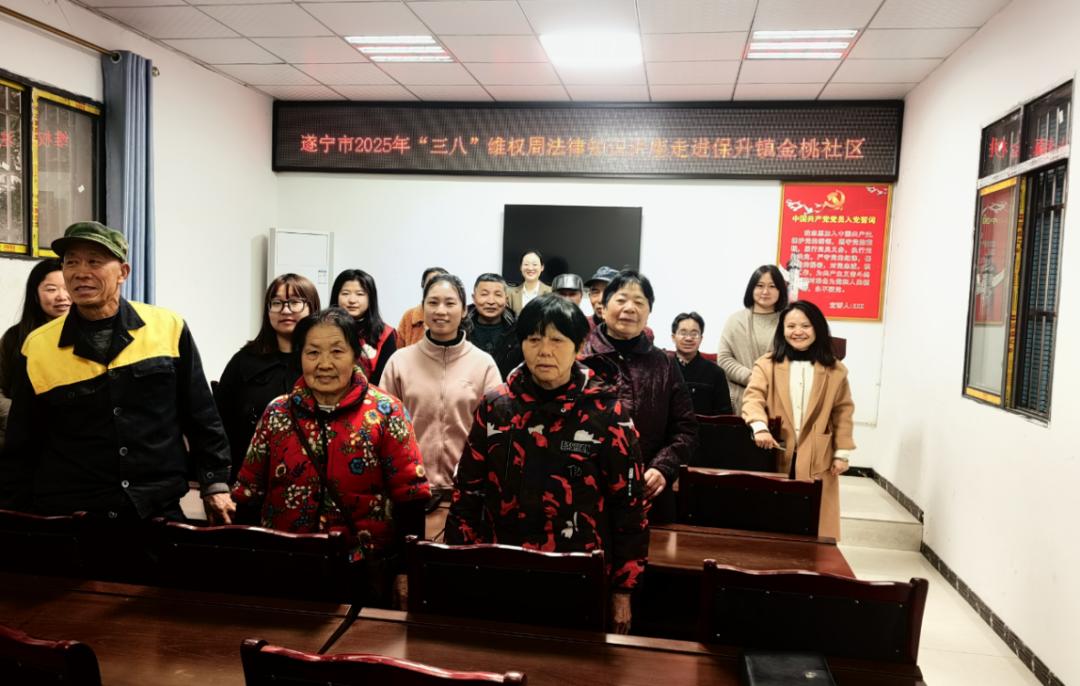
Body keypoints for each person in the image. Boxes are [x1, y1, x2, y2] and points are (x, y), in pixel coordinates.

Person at [0, 221, 234, 522]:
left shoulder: (167, 327)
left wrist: (215, 484)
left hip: (155, 508)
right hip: (71, 512)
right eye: (71, 262)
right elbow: (22, 442)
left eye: (94, 262)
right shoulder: (38, 346)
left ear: (123, 272)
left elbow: (201, 414)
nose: (80, 272)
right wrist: (15, 515)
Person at [446, 294, 648, 634]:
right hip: (501, 568)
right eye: (534, 339)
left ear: (579, 346)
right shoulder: (496, 406)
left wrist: (623, 589)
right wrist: (456, 564)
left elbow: (629, 506)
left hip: (578, 576)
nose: (544, 351)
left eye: (557, 340)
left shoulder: (607, 413)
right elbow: (467, 491)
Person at [231, 308, 430, 604]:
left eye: (337, 351)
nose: (324, 364)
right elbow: (249, 494)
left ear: (355, 355)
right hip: (284, 567)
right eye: (313, 352)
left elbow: (411, 497)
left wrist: (405, 571)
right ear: (300, 356)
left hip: (361, 572)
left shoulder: (386, 412)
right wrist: (245, 561)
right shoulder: (278, 413)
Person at [579, 270, 696, 524]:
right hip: (585, 493)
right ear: (603, 307)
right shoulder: (580, 359)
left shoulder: (665, 364)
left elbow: (685, 428)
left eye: (639, 302)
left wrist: (662, 467)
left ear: (649, 312)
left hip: (648, 493)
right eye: (621, 300)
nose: (630, 308)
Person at [742, 300, 854, 539]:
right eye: (791, 326)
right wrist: (759, 427)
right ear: (782, 330)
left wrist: (842, 453)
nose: (798, 331)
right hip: (775, 449)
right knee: (774, 517)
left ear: (818, 329)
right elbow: (752, 398)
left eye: (805, 325)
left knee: (814, 521)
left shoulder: (835, 370)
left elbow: (842, 412)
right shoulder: (766, 364)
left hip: (818, 453)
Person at [381, 274, 501, 492]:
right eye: (433, 302)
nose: (441, 310)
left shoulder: (484, 364)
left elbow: (495, 431)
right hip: (410, 487)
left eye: (450, 303)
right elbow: (383, 427)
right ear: (423, 308)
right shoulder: (399, 362)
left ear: (464, 310)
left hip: (466, 489)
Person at [214, 274, 319, 481]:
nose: (285, 310)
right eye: (277, 303)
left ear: (311, 307)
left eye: (295, 302)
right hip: (250, 476)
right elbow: (219, 421)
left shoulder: (323, 362)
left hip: (310, 479)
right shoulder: (244, 360)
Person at [0, 259, 71, 453]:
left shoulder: (91, 336)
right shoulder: (14, 338)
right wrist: (20, 418)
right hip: (22, 440)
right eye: (51, 289)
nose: (62, 296)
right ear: (35, 295)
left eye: (67, 288)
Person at [718, 265, 789, 413]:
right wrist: (752, 378)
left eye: (772, 286)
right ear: (751, 289)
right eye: (760, 285)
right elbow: (724, 359)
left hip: (779, 400)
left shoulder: (790, 322)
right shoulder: (736, 321)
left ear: (780, 290)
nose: (765, 291)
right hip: (739, 401)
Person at [331, 269, 396, 385]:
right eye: (345, 293)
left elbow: (384, 379)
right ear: (336, 296)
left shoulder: (385, 334)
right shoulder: (323, 329)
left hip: (371, 394)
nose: (352, 300)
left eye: (360, 294)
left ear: (370, 298)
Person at [671, 312, 733, 416]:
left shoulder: (716, 373)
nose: (688, 338)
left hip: (704, 426)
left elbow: (724, 416)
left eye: (694, 334)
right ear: (673, 337)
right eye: (683, 333)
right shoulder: (663, 369)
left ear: (701, 338)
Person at [466, 273, 522, 379]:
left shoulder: (518, 329)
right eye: (484, 294)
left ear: (506, 299)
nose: (491, 301)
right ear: (474, 298)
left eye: (498, 295)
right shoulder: (461, 328)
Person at [396, 266, 447, 348]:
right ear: (423, 287)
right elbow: (398, 351)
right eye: (430, 284)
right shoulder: (409, 316)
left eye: (440, 284)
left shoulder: (453, 315)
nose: (435, 289)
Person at [508, 249, 551, 314]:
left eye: (534, 264)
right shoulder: (510, 294)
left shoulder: (551, 292)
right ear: (520, 267)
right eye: (526, 264)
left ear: (542, 267)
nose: (530, 268)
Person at [584, 266, 619, 330]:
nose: (601, 300)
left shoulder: (631, 329)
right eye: (595, 292)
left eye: (608, 292)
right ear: (589, 296)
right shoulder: (581, 327)